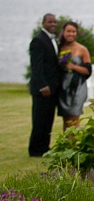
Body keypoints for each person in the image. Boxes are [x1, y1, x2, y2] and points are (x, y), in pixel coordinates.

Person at [28, 13, 60, 157]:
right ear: (43, 23)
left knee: (48, 119)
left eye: (54, 22)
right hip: (43, 89)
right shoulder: (38, 41)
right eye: (50, 22)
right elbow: (37, 67)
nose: (53, 24)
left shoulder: (53, 40)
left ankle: (44, 147)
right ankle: (35, 149)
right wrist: (43, 86)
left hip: (52, 89)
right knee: (39, 119)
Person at [57, 21, 92, 129]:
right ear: (63, 32)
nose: (71, 34)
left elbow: (88, 71)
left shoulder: (82, 49)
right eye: (68, 31)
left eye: (74, 32)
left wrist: (73, 67)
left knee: (74, 118)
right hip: (63, 87)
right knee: (66, 119)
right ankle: (66, 144)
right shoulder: (59, 48)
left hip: (77, 87)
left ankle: (74, 144)